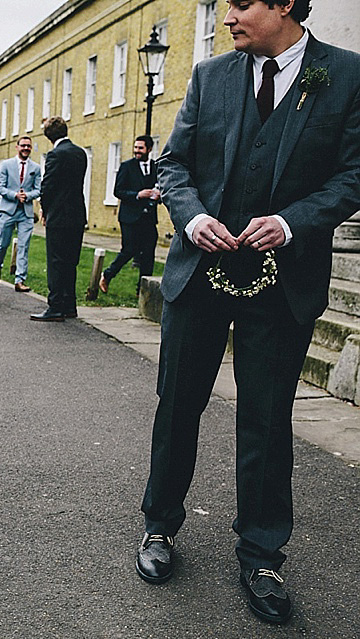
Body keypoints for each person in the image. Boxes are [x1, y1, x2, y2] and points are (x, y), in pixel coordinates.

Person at [136, 0, 360, 625]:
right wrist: (194, 216)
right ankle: (159, 527)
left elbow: (353, 176)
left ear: (284, 4)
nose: (227, 16)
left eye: (240, 4)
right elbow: (174, 163)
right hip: (201, 272)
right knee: (178, 404)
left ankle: (261, 554)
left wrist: (292, 223)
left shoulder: (345, 74)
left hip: (283, 283)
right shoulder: (211, 76)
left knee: (267, 419)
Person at [30, 116, 87, 322]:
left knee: (56, 262)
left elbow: (48, 186)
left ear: (48, 135)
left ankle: (55, 306)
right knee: (70, 262)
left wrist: (45, 210)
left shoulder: (55, 155)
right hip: (77, 214)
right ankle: (69, 304)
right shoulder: (80, 153)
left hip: (59, 216)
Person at [99, 135, 160, 296]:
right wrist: (137, 195)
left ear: (149, 149)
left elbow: (162, 187)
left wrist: (159, 196)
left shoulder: (156, 167)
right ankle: (107, 275)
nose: (136, 151)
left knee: (148, 254)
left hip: (149, 218)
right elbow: (118, 191)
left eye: (140, 148)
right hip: (129, 217)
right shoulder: (126, 166)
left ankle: (143, 291)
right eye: (135, 147)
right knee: (129, 249)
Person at [0, 135, 42, 292]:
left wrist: (27, 196)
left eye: (28, 146)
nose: (26, 148)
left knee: (23, 246)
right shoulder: (6, 165)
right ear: (17, 147)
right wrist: (15, 195)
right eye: (23, 146)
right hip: (8, 210)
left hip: (26, 212)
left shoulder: (35, 168)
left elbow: (38, 189)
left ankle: (20, 280)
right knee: (3, 244)